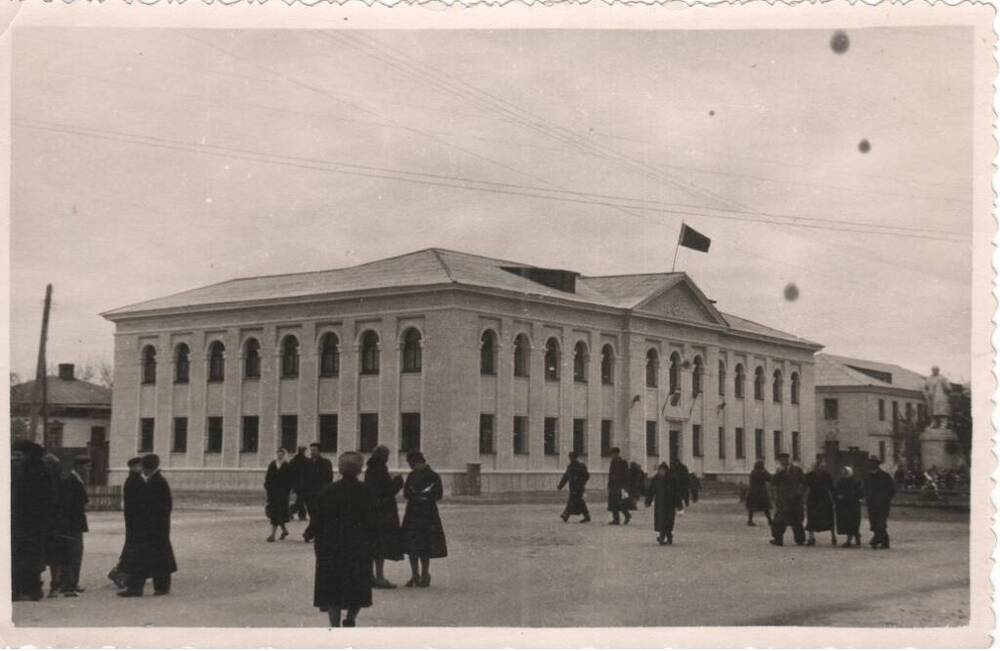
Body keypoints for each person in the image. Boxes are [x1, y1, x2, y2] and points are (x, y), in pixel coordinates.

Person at [312, 451, 377, 628]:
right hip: (358, 546)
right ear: (360, 469)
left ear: (339, 469)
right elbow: (373, 521)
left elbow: (317, 520)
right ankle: (351, 619)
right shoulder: (366, 491)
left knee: (332, 588)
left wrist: (313, 537)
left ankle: (334, 624)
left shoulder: (327, 490)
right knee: (357, 586)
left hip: (331, 546)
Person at [118, 454, 177, 597]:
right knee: (156, 556)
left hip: (152, 527)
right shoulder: (156, 480)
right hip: (156, 527)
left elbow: (159, 506)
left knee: (143, 556)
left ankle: (137, 588)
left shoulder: (156, 482)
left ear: (146, 467)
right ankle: (158, 587)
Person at [11, 439, 54, 601]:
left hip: (22, 520)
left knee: (19, 556)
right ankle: (34, 589)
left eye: (18, 454)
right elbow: (50, 497)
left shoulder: (20, 470)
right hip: (36, 521)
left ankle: (19, 590)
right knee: (34, 557)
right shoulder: (43, 469)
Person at [400, 451, 447, 587]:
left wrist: (422, 497)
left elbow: (438, 494)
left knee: (424, 545)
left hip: (425, 513)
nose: (410, 466)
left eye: (411, 463)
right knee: (412, 545)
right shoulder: (414, 475)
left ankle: (424, 574)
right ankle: (415, 575)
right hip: (417, 513)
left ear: (418, 462)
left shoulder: (433, 476)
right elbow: (406, 493)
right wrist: (419, 496)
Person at [363, 445, 404, 589]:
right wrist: (398, 482)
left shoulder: (370, 469)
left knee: (373, 546)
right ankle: (379, 577)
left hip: (372, 511)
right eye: (386, 455)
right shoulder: (380, 470)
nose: (388, 458)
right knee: (380, 546)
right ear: (382, 456)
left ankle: (370, 576)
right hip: (382, 512)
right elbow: (387, 491)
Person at [52, 455, 91, 597]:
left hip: (73, 523)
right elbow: (73, 504)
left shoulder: (74, 479)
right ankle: (70, 584)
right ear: (79, 466)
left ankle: (71, 582)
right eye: (86, 466)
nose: (88, 469)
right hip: (72, 524)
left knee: (73, 554)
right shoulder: (71, 481)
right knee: (73, 554)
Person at [108, 457, 144, 588]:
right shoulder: (135, 481)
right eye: (139, 465)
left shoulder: (133, 480)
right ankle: (119, 573)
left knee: (131, 547)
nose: (141, 468)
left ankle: (119, 572)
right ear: (133, 467)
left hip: (133, 519)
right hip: (136, 520)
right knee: (133, 548)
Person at [769, 453, 806, 546]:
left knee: (797, 520)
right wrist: (779, 473)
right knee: (779, 520)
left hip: (795, 499)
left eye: (785, 459)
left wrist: (800, 492)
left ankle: (800, 539)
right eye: (781, 460)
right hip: (783, 500)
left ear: (788, 460)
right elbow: (773, 482)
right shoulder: (779, 471)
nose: (783, 461)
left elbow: (804, 482)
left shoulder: (797, 470)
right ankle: (778, 539)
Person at [301, 443, 335, 539]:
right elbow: (303, 478)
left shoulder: (326, 462)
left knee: (317, 514)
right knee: (313, 515)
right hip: (309, 494)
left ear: (319, 451)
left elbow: (329, 478)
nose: (312, 452)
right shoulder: (307, 463)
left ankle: (308, 534)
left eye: (314, 450)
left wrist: (327, 490)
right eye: (311, 450)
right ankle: (313, 533)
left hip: (321, 493)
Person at [644, 462, 683, 545]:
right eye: (660, 470)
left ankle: (666, 537)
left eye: (662, 470)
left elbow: (677, 493)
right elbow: (651, 491)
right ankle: (664, 537)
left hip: (669, 504)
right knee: (660, 521)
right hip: (659, 503)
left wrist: (679, 505)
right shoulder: (656, 479)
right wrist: (648, 501)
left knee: (667, 521)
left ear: (666, 470)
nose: (661, 472)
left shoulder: (671, 479)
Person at [41, 452, 63, 598]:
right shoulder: (58, 482)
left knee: (52, 556)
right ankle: (55, 585)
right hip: (51, 524)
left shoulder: (49, 482)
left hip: (50, 523)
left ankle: (54, 584)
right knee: (54, 556)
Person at [864, 456, 896, 549]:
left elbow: (892, 490)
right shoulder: (868, 476)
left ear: (877, 464)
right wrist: (867, 497)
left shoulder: (885, 476)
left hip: (883, 504)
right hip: (871, 504)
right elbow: (865, 488)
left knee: (880, 523)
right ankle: (884, 541)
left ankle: (876, 540)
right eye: (870, 463)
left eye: (873, 463)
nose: (871, 465)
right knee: (874, 523)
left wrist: (885, 499)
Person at [804, 461, 837, 546]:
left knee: (828, 517)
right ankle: (811, 537)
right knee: (811, 517)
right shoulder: (809, 475)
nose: (819, 468)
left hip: (824, 498)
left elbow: (832, 487)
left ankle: (833, 536)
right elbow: (805, 486)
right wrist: (804, 498)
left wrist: (833, 498)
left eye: (821, 467)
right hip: (813, 498)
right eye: (817, 467)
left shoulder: (827, 475)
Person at [265, 449, 294, 542]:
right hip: (273, 494)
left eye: (281, 455)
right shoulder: (272, 465)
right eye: (278, 454)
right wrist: (268, 489)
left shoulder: (287, 465)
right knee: (276, 514)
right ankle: (283, 531)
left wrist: (287, 491)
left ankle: (273, 535)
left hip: (282, 494)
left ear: (284, 455)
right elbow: (268, 478)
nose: (279, 456)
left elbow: (290, 480)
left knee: (278, 513)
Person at [832, 466, 864, 548]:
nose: (844, 474)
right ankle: (855, 535)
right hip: (842, 505)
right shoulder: (840, 482)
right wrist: (838, 496)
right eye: (843, 472)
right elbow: (835, 491)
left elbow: (859, 493)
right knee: (845, 523)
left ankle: (849, 540)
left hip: (852, 505)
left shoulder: (855, 482)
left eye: (846, 472)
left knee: (852, 522)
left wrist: (849, 495)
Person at [557, 451, 591, 523]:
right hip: (573, 487)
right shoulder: (570, 466)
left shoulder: (581, 466)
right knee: (578, 502)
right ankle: (586, 516)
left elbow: (587, 476)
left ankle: (566, 515)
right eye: (570, 457)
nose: (570, 459)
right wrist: (560, 485)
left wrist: (581, 483)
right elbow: (566, 476)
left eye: (571, 457)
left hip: (579, 488)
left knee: (573, 501)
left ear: (575, 457)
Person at [606, 447, 630, 525]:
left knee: (621, 503)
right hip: (614, 486)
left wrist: (625, 486)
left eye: (613, 454)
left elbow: (626, 475)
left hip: (621, 486)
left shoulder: (623, 462)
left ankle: (627, 515)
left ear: (617, 454)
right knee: (614, 503)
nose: (612, 455)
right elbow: (610, 474)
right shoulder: (613, 462)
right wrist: (609, 485)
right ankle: (616, 519)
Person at [745, 461, 773, 526]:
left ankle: (750, 520)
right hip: (761, 493)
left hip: (752, 492)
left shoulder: (753, 472)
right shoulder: (762, 473)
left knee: (751, 508)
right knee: (766, 507)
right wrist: (765, 471)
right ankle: (770, 520)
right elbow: (769, 478)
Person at [289, 446, 309, 521]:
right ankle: (290, 511)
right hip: (303, 484)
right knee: (301, 500)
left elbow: (290, 473)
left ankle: (301, 515)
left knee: (301, 500)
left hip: (297, 484)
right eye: (303, 451)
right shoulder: (306, 461)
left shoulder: (293, 460)